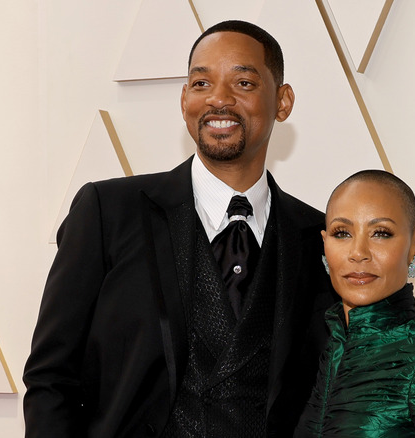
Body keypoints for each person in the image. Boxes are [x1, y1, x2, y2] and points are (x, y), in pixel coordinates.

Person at [23, 20, 336, 437]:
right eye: (202, 83)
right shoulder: (107, 212)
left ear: (282, 101)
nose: (218, 100)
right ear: (184, 97)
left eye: (242, 83)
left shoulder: (320, 237)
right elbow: (51, 377)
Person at [294, 170, 415, 437]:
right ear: (325, 243)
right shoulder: (330, 351)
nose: (358, 253)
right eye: (342, 233)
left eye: (381, 233)